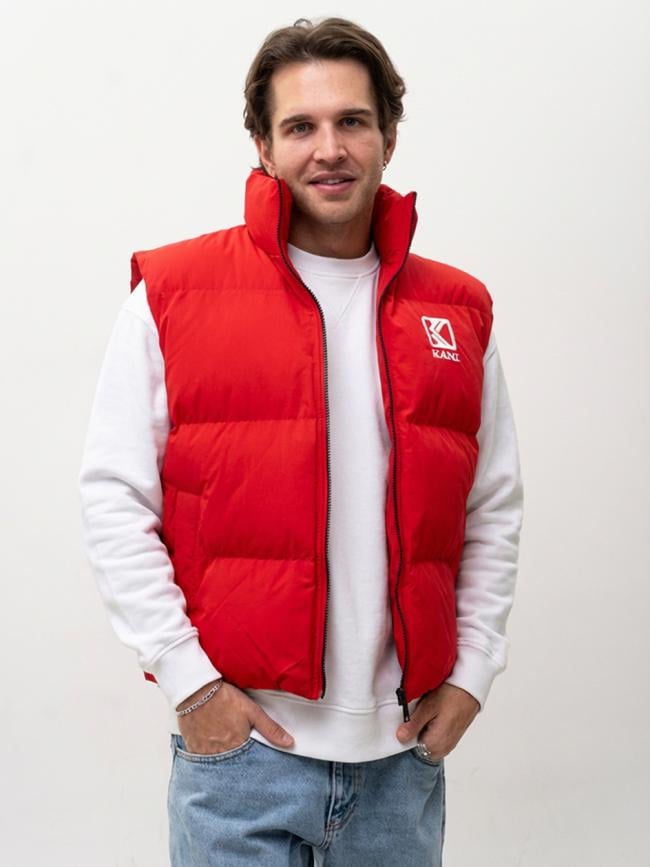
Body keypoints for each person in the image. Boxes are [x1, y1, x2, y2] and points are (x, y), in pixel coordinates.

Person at [78, 16, 524, 867]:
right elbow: (113, 494)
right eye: (300, 126)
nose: (330, 149)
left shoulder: (458, 311)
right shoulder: (174, 295)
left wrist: (473, 673)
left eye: (352, 121)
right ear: (263, 145)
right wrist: (189, 681)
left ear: (389, 136)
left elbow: (492, 505)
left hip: (401, 759)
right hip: (242, 758)